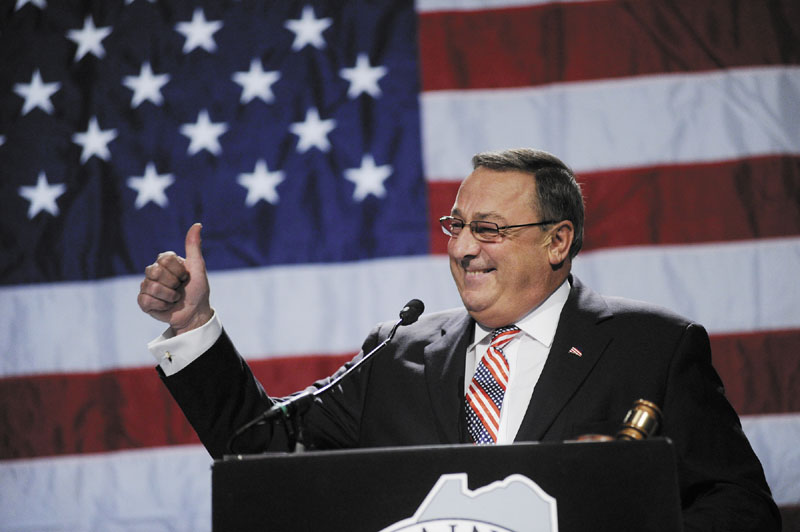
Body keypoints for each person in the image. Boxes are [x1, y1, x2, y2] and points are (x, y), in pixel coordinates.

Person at [138, 148, 780, 531]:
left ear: (558, 242)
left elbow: (742, 507)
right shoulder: (397, 353)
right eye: (457, 225)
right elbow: (264, 453)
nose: (464, 248)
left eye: (490, 229)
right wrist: (193, 327)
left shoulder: (653, 348)